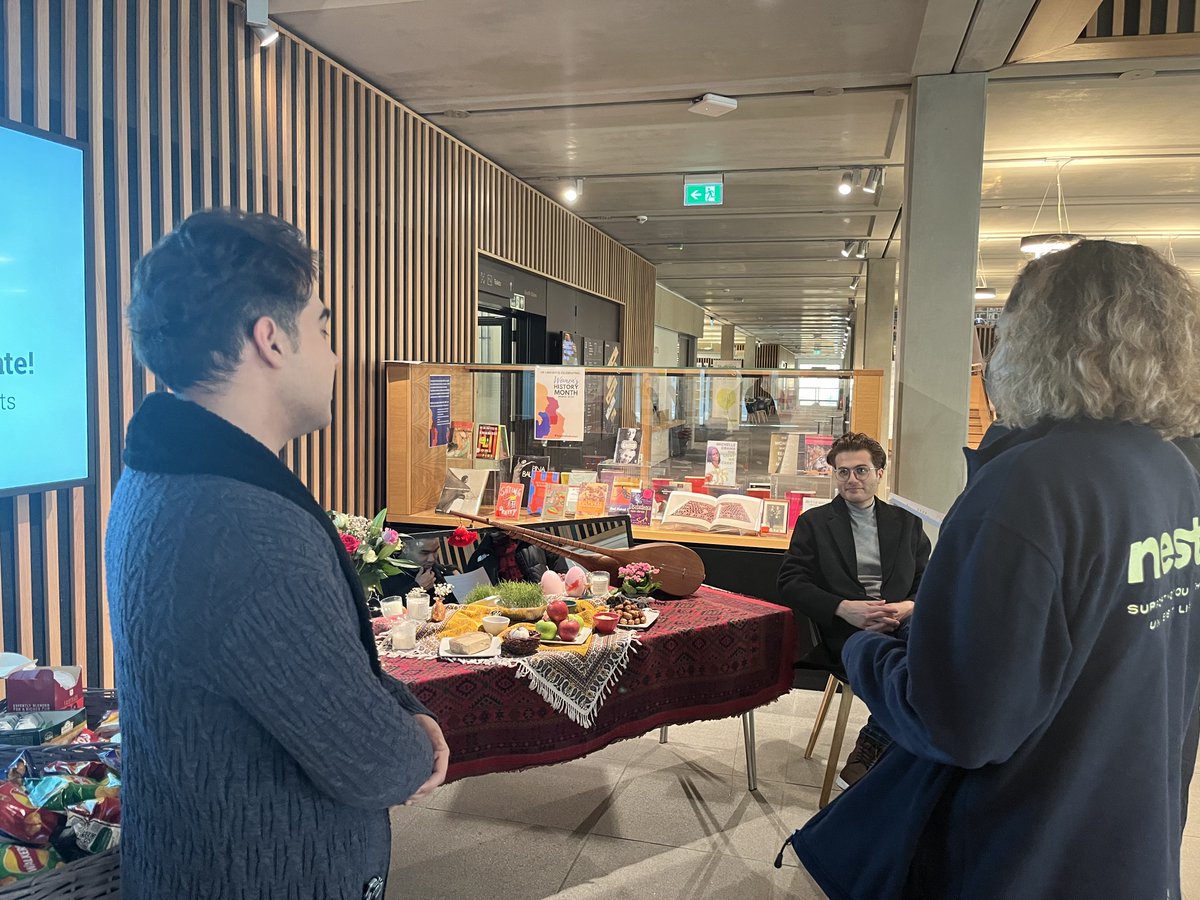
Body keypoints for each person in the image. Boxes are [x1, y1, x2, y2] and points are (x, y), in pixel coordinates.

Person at [790, 240, 1200, 899]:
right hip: (1129, 839)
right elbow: (1103, 628)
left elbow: (959, 722)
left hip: (1020, 847)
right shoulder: (1174, 473)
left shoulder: (1030, 484)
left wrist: (869, 650)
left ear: (1031, 342)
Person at [106, 209, 449, 899]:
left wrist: (400, 704)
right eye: (321, 326)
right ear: (270, 339)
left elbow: (308, 673)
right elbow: (374, 763)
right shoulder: (240, 527)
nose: (331, 353)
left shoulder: (167, 475)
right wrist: (417, 741)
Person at [777, 431, 930, 786]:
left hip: (901, 621)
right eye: (842, 472)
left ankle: (875, 738)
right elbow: (790, 582)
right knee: (916, 665)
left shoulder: (907, 524)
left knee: (930, 651)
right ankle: (896, 747)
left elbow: (929, 581)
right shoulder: (814, 523)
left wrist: (907, 607)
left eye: (861, 470)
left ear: (879, 472)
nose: (852, 479)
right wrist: (845, 608)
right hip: (846, 631)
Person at [382, 534, 457, 602]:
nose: (432, 559)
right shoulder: (386, 575)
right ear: (404, 548)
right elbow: (386, 608)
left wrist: (454, 573)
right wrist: (417, 587)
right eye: (424, 553)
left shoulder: (435, 570)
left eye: (435, 551)